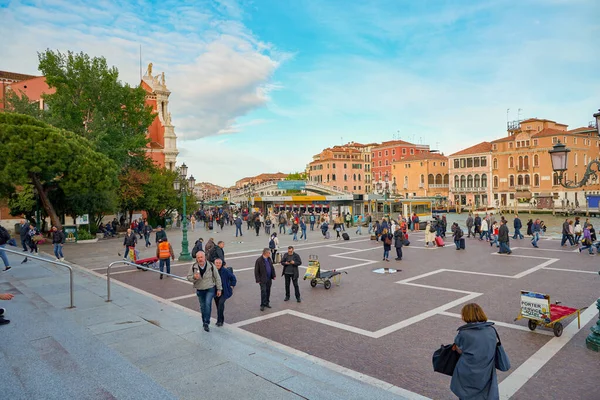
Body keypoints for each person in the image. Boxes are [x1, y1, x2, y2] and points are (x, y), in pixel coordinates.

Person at [450, 303, 503, 400]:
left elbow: (459, 349)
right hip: (486, 370)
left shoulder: (464, 333)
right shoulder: (492, 330)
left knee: (466, 395)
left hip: (468, 371)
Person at [187, 251, 222, 332]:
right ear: (196, 258)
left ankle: (207, 322)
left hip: (210, 288)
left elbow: (217, 277)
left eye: (201, 257)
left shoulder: (211, 265)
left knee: (207, 304)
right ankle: (204, 321)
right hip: (200, 289)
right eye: (198, 258)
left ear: (204, 257)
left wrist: (219, 289)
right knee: (203, 307)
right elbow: (188, 277)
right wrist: (194, 277)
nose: (200, 259)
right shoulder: (193, 266)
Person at [213, 258, 236, 327]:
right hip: (215, 291)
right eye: (216, 263)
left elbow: (233, 278)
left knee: (220, 304)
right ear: (214, 264)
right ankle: (221, 319)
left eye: (219, 263)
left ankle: (219, 321)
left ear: (221, 264)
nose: (218, 264)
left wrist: (232, 286)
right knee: (218, 306)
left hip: (224, 291)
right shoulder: (212, 271)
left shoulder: (225, 271)